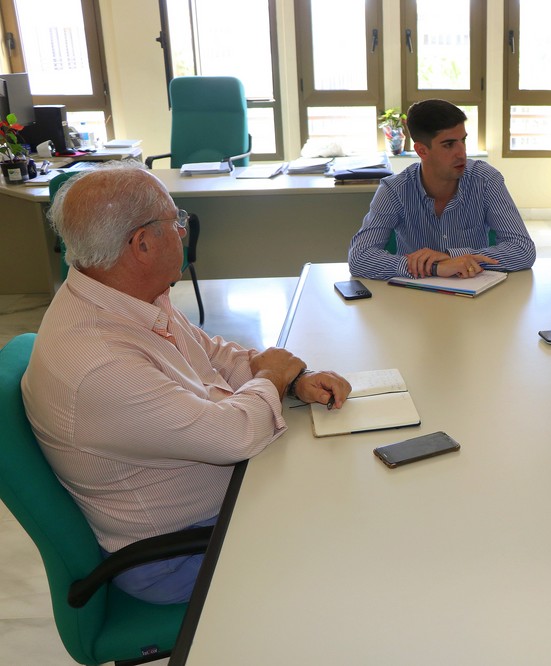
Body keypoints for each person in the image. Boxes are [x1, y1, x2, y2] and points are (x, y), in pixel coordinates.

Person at [21, 162, 352, 604]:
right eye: (175, 221)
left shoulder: (121, 294)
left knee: (343, 484)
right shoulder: (98, 363)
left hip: (222, 503)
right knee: (350, 545)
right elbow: (235, 436)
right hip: (176, 554)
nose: (182, 232)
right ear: (141, 244)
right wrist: (271, 375)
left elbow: (212, 355)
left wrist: (294, 381)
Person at [347, 99, 536, 280]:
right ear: (422, 151)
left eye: (463, 140)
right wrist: (435, 267)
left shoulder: (485, 180)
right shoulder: (395, 190)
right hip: (415, 297)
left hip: (475, 292)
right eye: (449, 145)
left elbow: (523, 249)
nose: (461, 153)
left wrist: (452, 257)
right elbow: (359, 257)